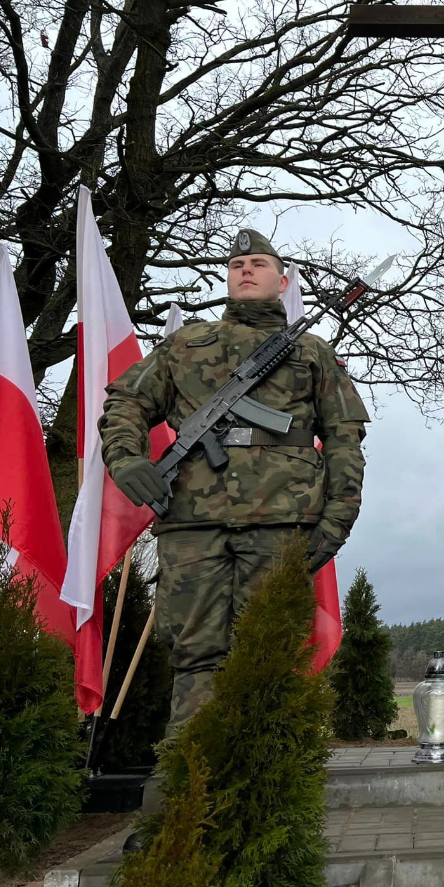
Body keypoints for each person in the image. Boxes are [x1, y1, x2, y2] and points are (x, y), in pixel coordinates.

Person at [99, 228, 370, 736]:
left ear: (283, 281)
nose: (246, 270)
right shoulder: (184, 345)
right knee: (193, 650)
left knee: (270, 648)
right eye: (237, 264)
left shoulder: (312, 352)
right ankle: (188, 766)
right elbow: (126, 401)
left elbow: (344, 440)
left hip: (282, 523)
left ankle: (266, 768)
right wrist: (126, 459)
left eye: (259, 264)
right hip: (192, 522)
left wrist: (337, 520)